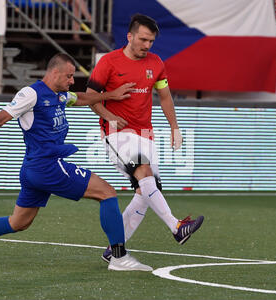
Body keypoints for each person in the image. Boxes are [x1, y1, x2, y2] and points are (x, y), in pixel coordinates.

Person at [0, 53, 152, 272]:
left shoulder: (60, 95)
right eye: (69, 76)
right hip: (47, 166)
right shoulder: (31, 94)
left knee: (18, 223)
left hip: (33, 170)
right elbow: (1, 117)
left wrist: (111, 95)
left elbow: (83, 98)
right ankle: (119, 256)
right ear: (54, 73)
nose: (72, 81)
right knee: (107, 193)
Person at [85, 13, 204, 263]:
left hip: (146, 134)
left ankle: (114, 249)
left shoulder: (156, 63)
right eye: (143, 40)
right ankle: (176, 226)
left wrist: (175, 127)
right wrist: (109, 116)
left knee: (145, 190)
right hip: (116, 133)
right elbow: (89, 97)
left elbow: (165, 96)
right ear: (130, 36)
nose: (147, 45)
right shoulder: (108, 62)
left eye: (151, 41)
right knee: (144, 171)